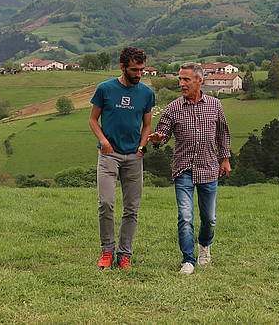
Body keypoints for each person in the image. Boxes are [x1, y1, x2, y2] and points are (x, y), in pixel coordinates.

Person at [148, 62, 232, 275]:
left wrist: (225, 159)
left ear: (199, 80)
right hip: (183, 169)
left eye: (186, 79)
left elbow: (223, 133)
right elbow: (162, 134)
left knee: (209, 218)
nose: (181, 83)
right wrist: (158, 140)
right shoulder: (174, 107)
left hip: (209, 168)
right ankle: (188, 260)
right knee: (185, 216)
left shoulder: (215, 105)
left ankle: (204, 246)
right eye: (180, 79)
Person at [89, 47, 154, 269]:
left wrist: (142, 148)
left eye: (142, 70)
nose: (139, 74)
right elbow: (93, 120)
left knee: (131, 208)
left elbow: (147, 125)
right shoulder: (105, 89)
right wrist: (104, 141)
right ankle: (107, 251)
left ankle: (124, 254)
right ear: (122, 67)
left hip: (134, 156)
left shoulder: (146, 93)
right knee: (106, 203)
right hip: (109, 155)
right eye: (134, 70)